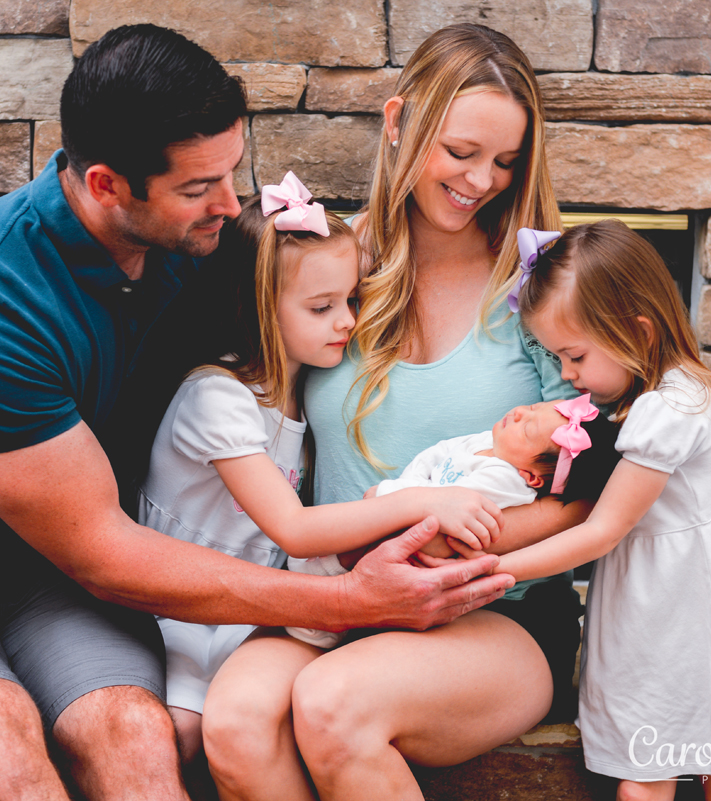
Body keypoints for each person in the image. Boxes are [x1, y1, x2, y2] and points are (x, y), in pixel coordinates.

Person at [0, 25, 515, 801]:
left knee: (134, 737)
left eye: (230, 173)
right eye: (199, 190)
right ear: (105, 184)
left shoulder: (193, 245)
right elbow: (99, 548)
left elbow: (318, 280)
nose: (230, 206)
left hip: (49, 585)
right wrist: (345, 600)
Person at [204, 23, 591, 801]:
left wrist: (445, 554)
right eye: (461, 152)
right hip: (339, 595)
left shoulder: (543, 289)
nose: (482, 180)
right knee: (236, 722)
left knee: (334, 703)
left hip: (492, 608)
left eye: (506, 162)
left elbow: (583, 490)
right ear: (397, 122)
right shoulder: (327, 266)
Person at [140, 175, 505, 763]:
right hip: (183, 618)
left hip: (255, 615)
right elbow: (295, 529)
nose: (347, 322)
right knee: (176, 740)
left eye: (351, 301)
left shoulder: (300, 390)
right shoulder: (219, 398)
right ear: (256, 306)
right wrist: (424, 501)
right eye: (322, 307)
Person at [510, 219, 711, 800]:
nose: (566, 374)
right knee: (653, 773)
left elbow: (603, 528)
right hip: (656, 612)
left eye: (575, 354)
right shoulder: (657, 393)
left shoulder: (672, 408)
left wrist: (499, 570)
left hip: (689, 616)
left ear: (636, 329)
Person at [289, 394, 622, 649]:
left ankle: (325, 616)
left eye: (528, 427)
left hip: (429, 543)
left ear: (532, 477)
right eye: (534, 407)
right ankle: (322, 588)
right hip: (411, 507)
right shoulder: (484, 444)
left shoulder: (505, 481)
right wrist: (402, 492)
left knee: (378, 555)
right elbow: (436, 453)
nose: (520, 412)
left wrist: (397, 501)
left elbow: (445, 516)